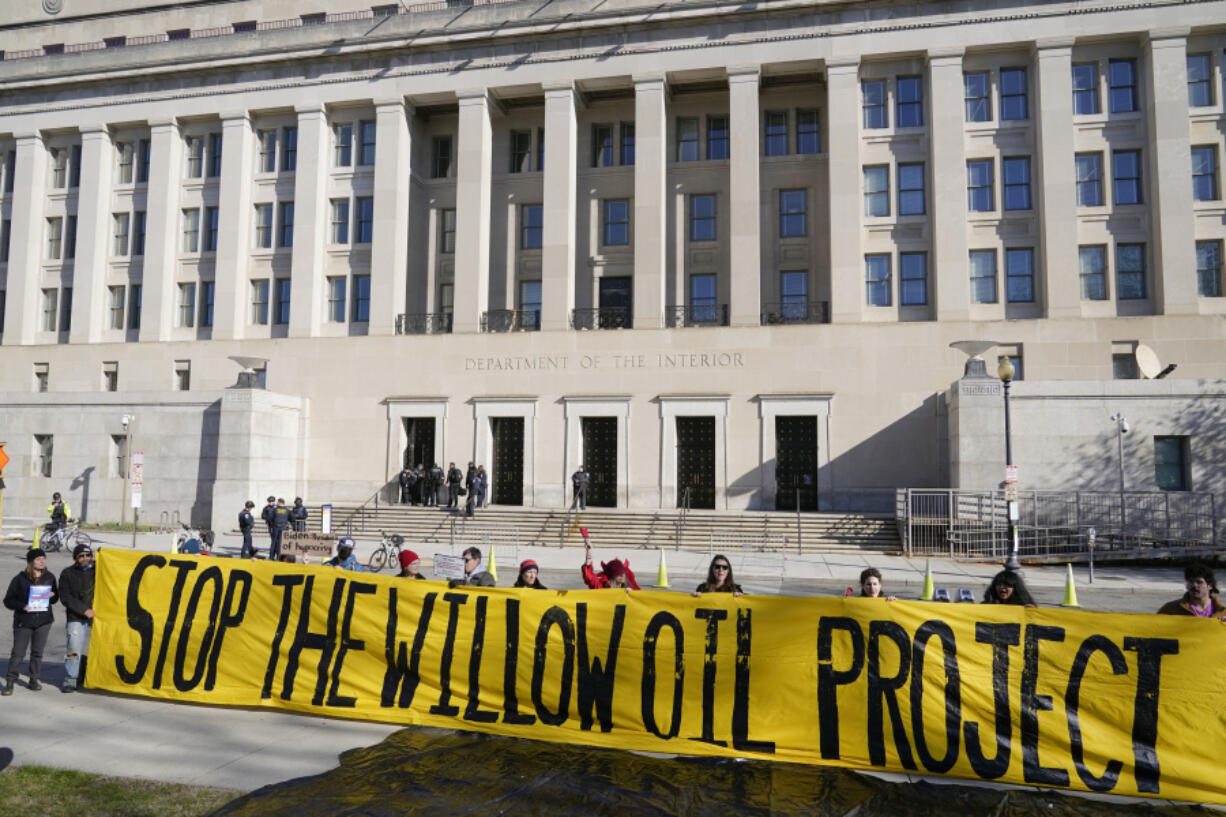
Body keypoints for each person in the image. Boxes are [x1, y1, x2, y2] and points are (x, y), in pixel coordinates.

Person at [3, 548, 59, 695]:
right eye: (38, 559)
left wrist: (52, 595)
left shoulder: (50, 577)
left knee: (37, 652)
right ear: (30, 562)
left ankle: (33, 680)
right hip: (24, 621)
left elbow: (55, 598)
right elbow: (8, 601)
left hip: (44, 621)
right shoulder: (19, 579)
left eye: (44, 558)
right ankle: (10, 682)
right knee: (18, 653)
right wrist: (22, 606)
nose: (42, 561)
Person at [58, 543, 95, 693]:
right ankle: (70, 680)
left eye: (88, 555)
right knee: (73, 649)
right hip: (76, 616)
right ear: (76, 558)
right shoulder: (67, 573)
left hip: (97, 615)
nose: (85, 558)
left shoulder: (98, 570)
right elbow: (65, 597)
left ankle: (91, 675)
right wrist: (84, 610)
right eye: (81, 556)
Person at [1158, 563, 1226, 619]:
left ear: (1210, 586)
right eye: (1190, 581)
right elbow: (1155, 629)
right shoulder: (1171, 609)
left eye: (1199, 582)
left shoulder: (1223, 612)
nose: (1194, 585)